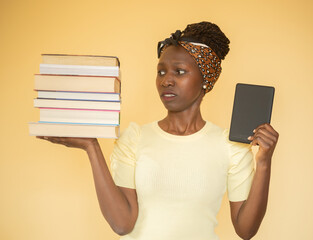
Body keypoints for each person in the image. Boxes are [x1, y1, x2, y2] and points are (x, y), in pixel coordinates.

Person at [38, 21, 279, 240]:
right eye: (161, 71)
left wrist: (264, 162)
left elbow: (245, 230)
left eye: (179, 71)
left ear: (206, 79)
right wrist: (91, 147)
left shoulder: (231, 147)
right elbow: (122, 224)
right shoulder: (135, 138)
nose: (166, 81)